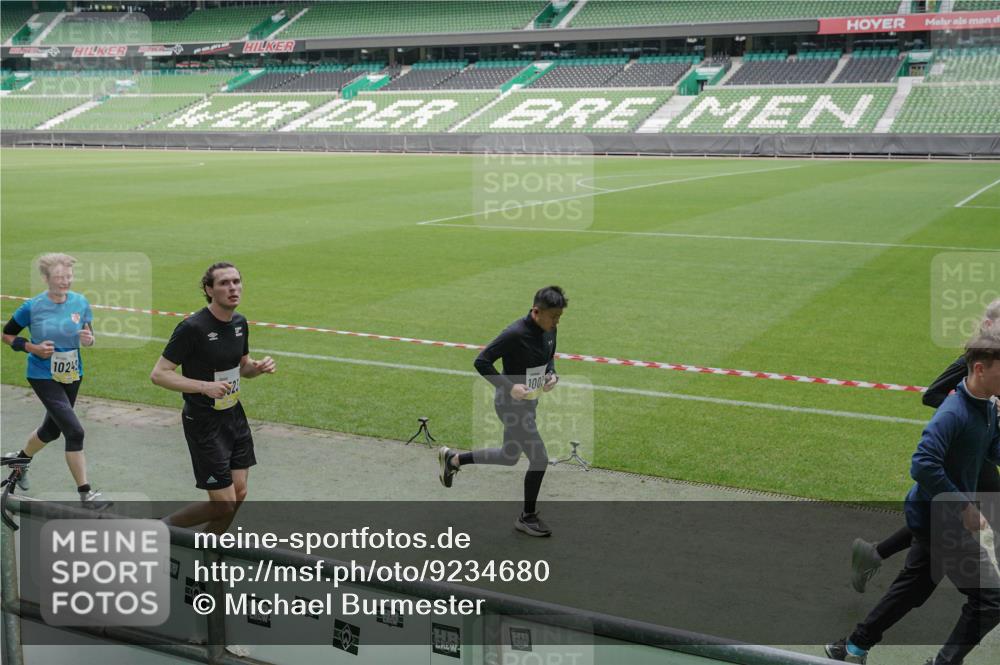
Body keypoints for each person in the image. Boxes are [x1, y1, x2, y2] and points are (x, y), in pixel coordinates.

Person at [826, 330, 1000, 665]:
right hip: (942, 521)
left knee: (914, 587)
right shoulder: (954, 413)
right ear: (980, 369)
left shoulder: (988, 406)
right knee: (991, 600)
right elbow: (922, 463)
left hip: (936, 517)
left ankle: (852, 648)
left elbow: (990, 447)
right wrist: (962, 506)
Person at [851, 299, 1000, 593]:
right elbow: (931, 395)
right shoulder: (971, 361)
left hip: (982, 443)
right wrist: (981, 411)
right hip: (967, 448)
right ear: (988, 326)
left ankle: (876, 554)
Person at [150, 262, 275, 534]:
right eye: (224, 283)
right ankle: (158, 531)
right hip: (203, 421)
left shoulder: (240, 323)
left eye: (236, 281)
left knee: (239, 494)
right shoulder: (192, 327)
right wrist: (204, 387)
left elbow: (243, 367)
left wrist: (257, 368)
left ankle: (209, 553)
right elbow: (159, 374)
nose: (233, 287)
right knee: (222, 504)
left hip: (233, 416)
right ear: (209, 289)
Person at [437, 286, 567, 537]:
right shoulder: (514, 333)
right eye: (553, 317)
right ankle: (527, 517)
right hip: (510, 404)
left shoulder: (550, 329)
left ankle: (453, 460)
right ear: (536, 311)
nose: (556, 322)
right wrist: (509, 387)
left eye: (559, 318)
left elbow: (549, 357)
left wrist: (552, 375)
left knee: (509, 455)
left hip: (530, 402)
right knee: (539, 458)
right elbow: (481, 361)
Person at [1, 253, 109, 509]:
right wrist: (32, 347)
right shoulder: (31, 306)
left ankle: (19, 462)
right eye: (59, 277)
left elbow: (89, 335)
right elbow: (6, 335)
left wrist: (88, 340)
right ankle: (86, 494)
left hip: (72, 373)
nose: (65, 282)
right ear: (46, 278)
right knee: (75, 431)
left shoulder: (80, 302)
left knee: (51, 431)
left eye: (68, 276)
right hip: (42, 374)